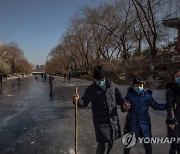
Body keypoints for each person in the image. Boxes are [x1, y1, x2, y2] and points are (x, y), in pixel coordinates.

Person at [73, 65, 128, 154]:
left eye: (102, 80)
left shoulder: (112, 86)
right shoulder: (91, 89)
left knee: (111, 141)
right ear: (94, 79)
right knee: (103, 143)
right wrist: (78, 100)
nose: (100, 82)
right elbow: (84, 103)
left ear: (105, 78)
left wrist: (124, 104)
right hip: (100, 122)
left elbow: (119, 98)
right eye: (98, 80)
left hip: (113, 119)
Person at [123, 77, 167, 154]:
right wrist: (125, 107)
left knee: (147, 145)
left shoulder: (147, 96)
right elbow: (124, 106)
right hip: (131, 124)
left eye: (141, 85)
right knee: (128, 145)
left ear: (143, 86)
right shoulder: (129, 95)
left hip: (144, 124)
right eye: (137, 85)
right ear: (133, 86)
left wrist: (168, 105)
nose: (139, 87)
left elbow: (156, 106)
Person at [165, 70, 180, 154]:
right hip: (175, 120)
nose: (179, 78)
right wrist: (171, 120)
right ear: (174, 79)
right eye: (177, 76)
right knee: (174, 144)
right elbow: (169, 106)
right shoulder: (171, 89)